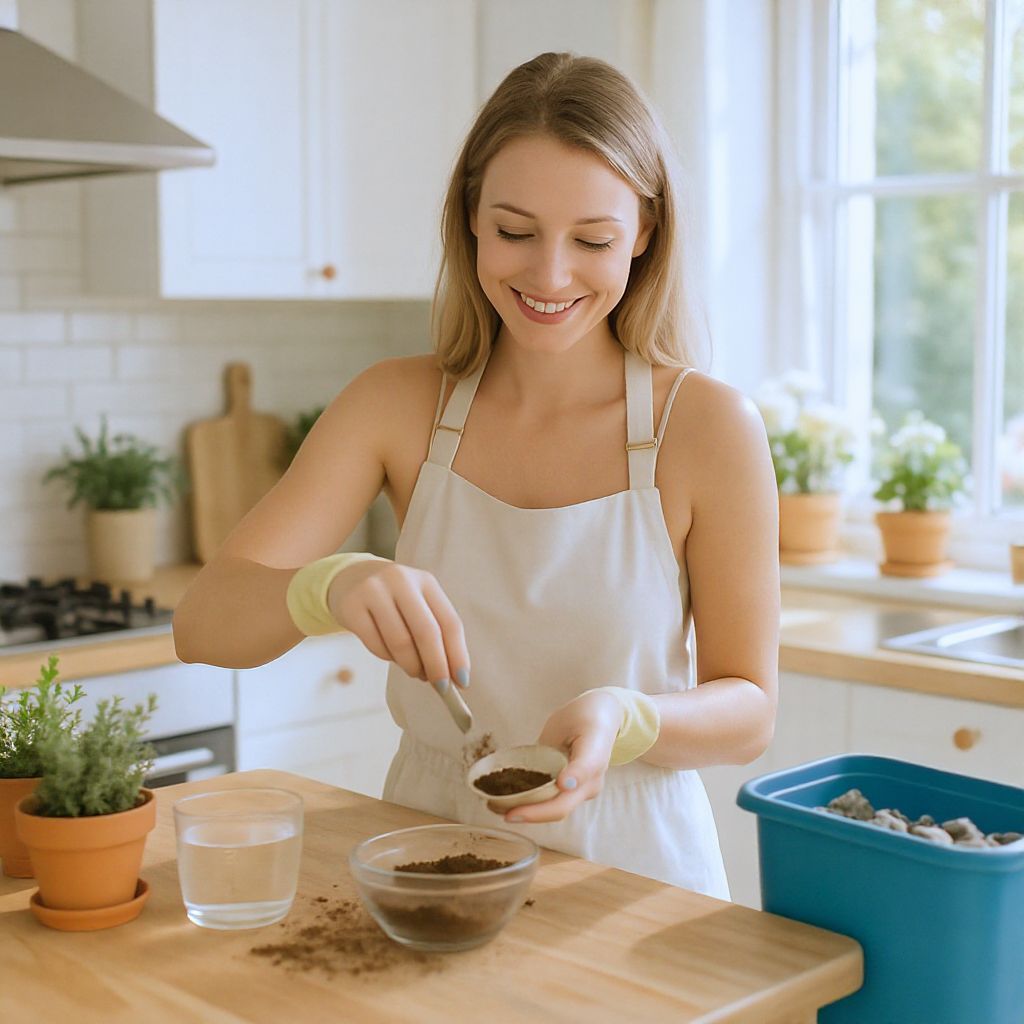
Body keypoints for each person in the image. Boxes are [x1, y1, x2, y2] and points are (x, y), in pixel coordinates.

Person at [173, 51, 780, 899]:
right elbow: (201, 625)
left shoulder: (708, 428)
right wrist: (329, 585)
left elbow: (748, 709)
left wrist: (629, 716)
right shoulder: (394, 405)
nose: (550, 275)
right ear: (470, 220)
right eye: (515, 232)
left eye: (593, 239)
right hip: (429, 855)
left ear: (645, 232)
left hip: (635, 876)